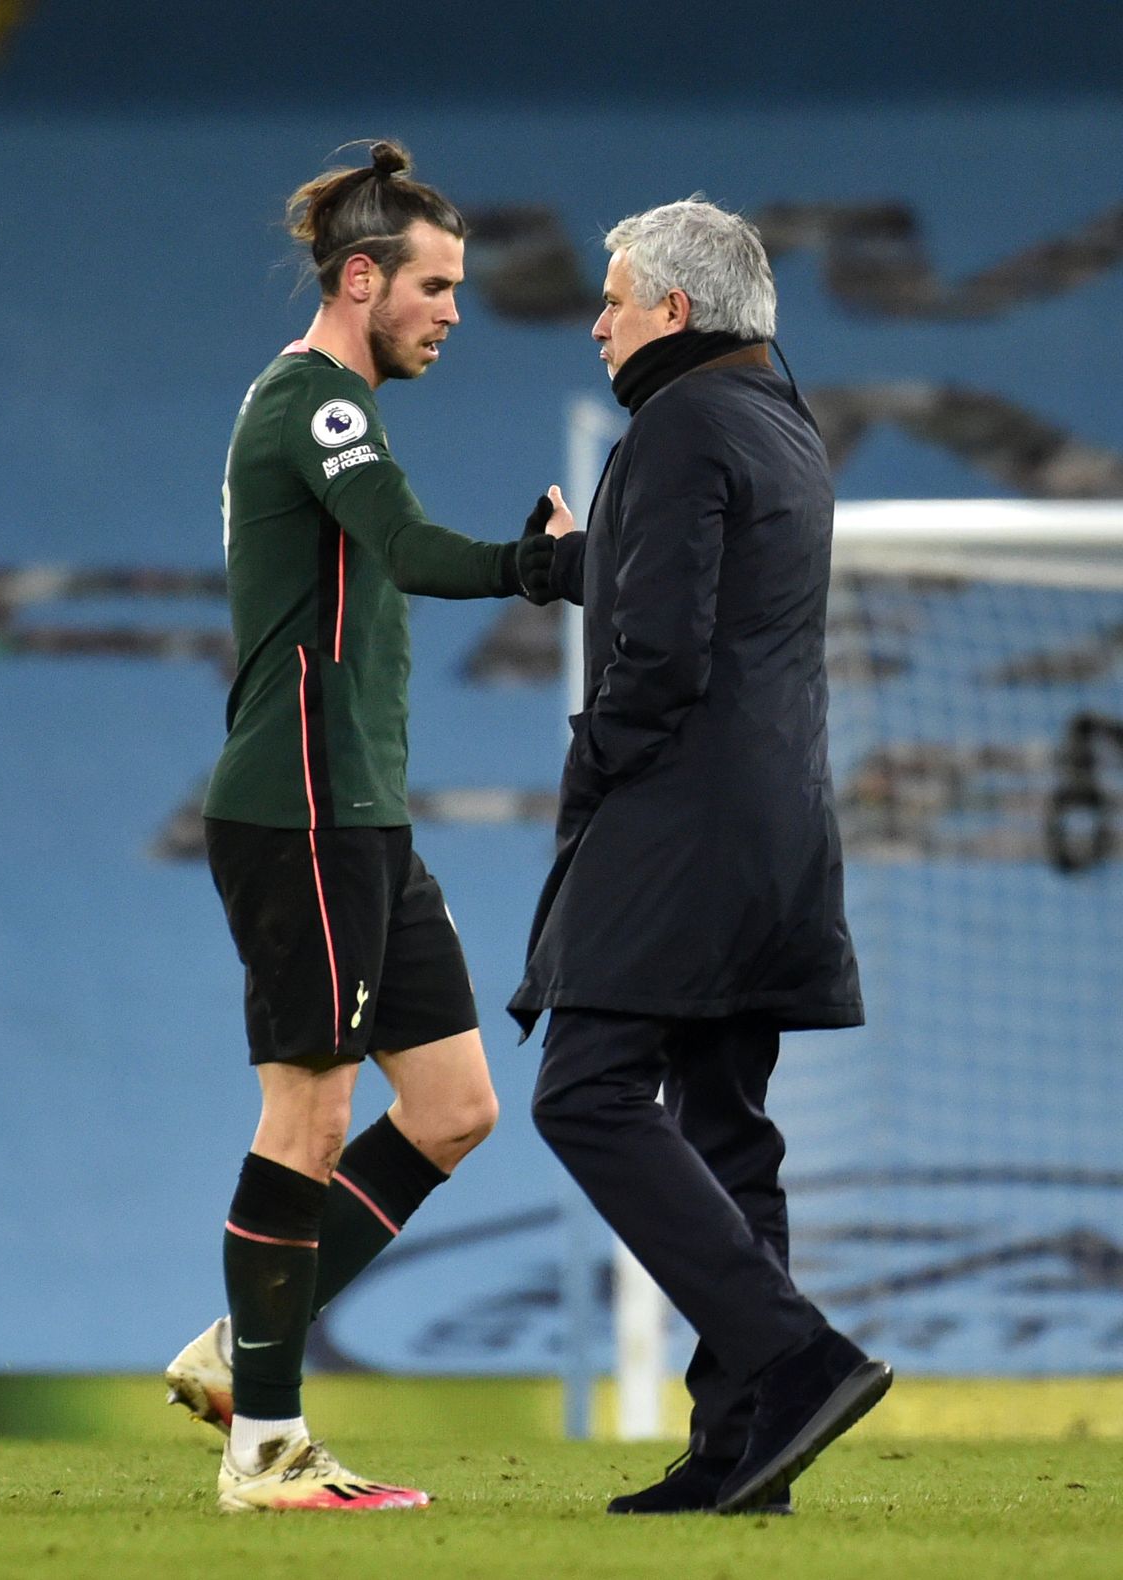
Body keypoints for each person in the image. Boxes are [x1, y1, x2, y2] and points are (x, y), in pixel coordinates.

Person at [164, 139, 567, 1515]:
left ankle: (241, 1354)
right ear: (361, 278)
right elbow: (403, 544)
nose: (455, 309)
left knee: (453, 1109)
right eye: (436, 284)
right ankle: (264, 1446)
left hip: (366, 820)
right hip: (303, 813)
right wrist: (541, 566)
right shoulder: (316, 405)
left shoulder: (343, 406)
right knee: (314, 1111)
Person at [510, 198, 892, 1516]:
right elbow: (699, 584)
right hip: (779, 829)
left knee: (586, 1092)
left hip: (681, 828)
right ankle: (747, 1452)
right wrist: (572, 561)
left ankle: (795, 1359)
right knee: (726, 1129)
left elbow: (662, 652)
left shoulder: (673, 426)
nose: (597, 318)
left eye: (615, 297)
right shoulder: (778, 421)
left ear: (675, 308)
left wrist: (595, 764)